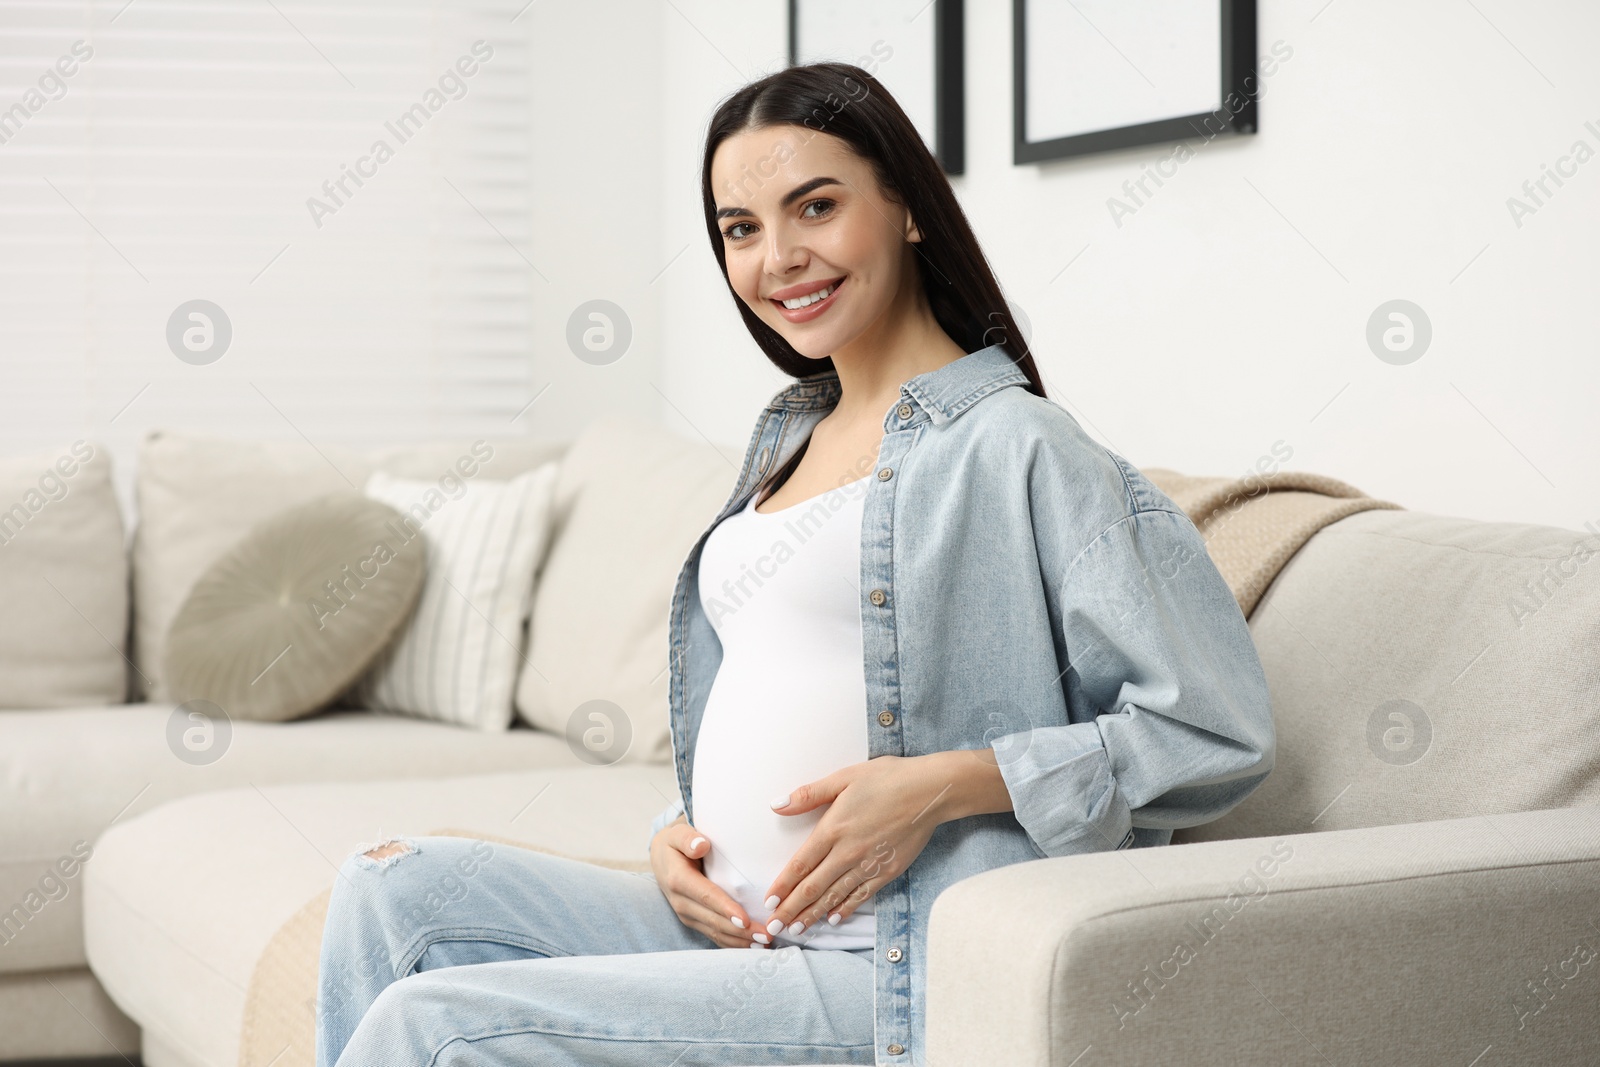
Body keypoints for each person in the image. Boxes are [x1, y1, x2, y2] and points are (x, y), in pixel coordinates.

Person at [314, 61, 1275, 1067]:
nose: (778, 256)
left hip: (885, 963)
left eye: (814, 206)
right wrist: (675, 829)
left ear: (904, 207)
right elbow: (782, 686)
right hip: (727, 922)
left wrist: (941, 785)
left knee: (435, 1029)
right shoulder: (787, 437)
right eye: (740, 228)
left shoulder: (1020, 447)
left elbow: (1210, 729)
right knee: (390, 887)